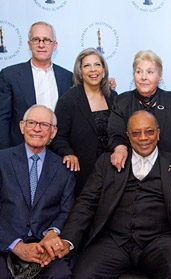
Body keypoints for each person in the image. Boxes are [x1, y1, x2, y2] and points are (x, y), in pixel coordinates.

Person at [44, 110, 171, 279]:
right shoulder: (107, 163)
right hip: (112, 240)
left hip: (160, 241)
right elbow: (86, 204)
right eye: (136, 133)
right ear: (128, 137)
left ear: (158, 134)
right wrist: (67, 240)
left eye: (149, 132)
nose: (143, 138)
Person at [0, 104, 75, 279]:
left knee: (62, 277)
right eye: (32, 122)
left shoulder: (63, 168)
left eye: (44, 124)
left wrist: (52, 232)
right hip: (2, 245)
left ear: (53, 132)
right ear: (22, 126)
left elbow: (67, 210)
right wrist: (17, 246)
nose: (37, 128)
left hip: (44, 247)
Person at [0, 21, 73, 151]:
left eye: (46, 40)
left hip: (59, 154)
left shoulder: (68, 77)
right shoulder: (10, 76)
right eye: (36, 39)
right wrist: (3, 157)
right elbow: (1, 119)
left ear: (54, 45)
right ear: (29, 45)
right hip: (20, 153)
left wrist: (106, 83)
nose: (41, 45)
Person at [51, 48, 117, 197]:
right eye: (87, 66)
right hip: (81, 175)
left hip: (111, 174)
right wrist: (68, 154)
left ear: (103, 69)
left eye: (97, 65)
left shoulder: (113, 97)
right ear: (80, 71)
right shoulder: (68, 100)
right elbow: (58, 136)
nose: (93, 70)